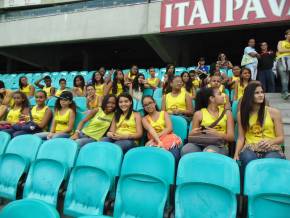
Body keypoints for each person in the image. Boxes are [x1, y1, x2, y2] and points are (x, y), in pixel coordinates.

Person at [234, 82, 285, 170]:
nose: (261, 95)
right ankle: (247, 184)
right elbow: (241, 138)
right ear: (249, 95)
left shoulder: (274, 112)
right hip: (250, 147)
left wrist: (270, 142)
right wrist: (236, 154)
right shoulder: (241, 114)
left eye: (262, 92)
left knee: (270, 160)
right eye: (257, 93)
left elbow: (281, 138)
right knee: (248, 159)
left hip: (271, 147)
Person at [181, 87, 234, 156]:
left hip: (220, 145)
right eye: (219, 94)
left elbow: (231, 137)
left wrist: (217, 133)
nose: (223, 96)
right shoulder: (199, 114)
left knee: (209, 152)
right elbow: (194, 136)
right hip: (201, 143)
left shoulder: (227, 113)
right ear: (212, 98)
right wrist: (192, 133)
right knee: (186, 150)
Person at [142, 96, 181, 160]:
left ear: (154, 103)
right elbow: (150, 130)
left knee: (174, 155)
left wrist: (156, 137)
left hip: (168, 138)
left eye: (150, 103)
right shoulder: (144, 119)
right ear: (144, 108)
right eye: (145, 105)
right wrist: (157, 140)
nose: (148, 106)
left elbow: (169, 128)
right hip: (154, 142)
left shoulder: (164, 113)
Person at [276, 29, 290, 100]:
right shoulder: (281, 42)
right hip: (282, 60)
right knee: (284, 77)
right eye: (289, 34)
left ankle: (284, 91)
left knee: (287, 78)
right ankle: (285, 92)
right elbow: (280, 50)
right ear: (285, 35)